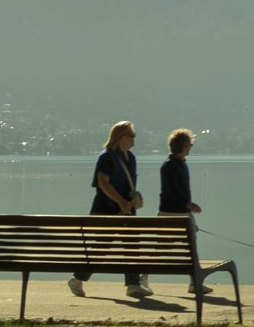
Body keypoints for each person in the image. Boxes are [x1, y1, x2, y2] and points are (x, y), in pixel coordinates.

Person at [69, 120, 149, 299]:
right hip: (106, 208)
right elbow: (103, 183)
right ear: (120, 137)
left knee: (132, 244)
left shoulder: (131, 158)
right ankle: (77, 278)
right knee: (103, 245)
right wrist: (120, 202)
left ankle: (133, 285)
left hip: (127, 209)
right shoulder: (106, 157)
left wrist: (130, 201)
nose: (134, 138)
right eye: (131, 135)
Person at [158, 128, 211, 297]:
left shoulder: (172, 165)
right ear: (183, 146)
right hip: (178, 212)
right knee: (191, 248)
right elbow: (173, 192)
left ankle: (144, 277)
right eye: (190, 145)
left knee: (162, 249)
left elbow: (171, 192)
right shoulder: (172, 166)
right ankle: (194, 283)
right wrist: (188, 204)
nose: (191, 148)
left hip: (167, 212)